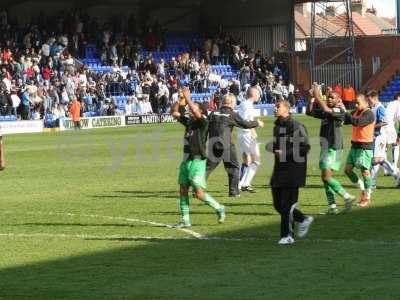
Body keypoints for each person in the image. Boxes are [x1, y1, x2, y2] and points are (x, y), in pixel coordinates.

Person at [171, 87, 225, 228]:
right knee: (183, 189)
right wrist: (179, 100)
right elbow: (175, 113)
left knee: (198, 193)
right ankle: (185, 220)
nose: (190, 107)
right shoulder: (189, 121)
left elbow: (194, 111)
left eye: (194, 106)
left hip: (198, 160)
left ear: (201, 110)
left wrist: (188, 97)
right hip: (186, 160)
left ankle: (219, 207)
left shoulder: (203, 121)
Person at [266, 100, 313, 245]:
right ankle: (303, 219)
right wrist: (272, 147)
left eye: (278, 106)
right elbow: (278, 145)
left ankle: (287, 236)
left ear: (287, 109)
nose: (275, 108)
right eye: (275, 106)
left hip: (294, 170)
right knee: (278, 205)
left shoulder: (297, 126)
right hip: (279, 169)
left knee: (287, 205)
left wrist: (286, 152)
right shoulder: (277, 126)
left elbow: (305, 148)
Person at [306, 86, 356, 214]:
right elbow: (309, 112)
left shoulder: (339, 111)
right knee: (326, 178)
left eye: (332, 97)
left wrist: (318, 95)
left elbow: (327, 109)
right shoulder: (326, 111)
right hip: (327, 147)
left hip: (333, 148)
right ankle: (332, 207)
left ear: (338, 100)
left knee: (326, 177)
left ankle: (347, 197)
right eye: (328, 97)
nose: (329, 99)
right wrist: (311, 99)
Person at [207, 93, 264, 197]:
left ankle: (196, 188)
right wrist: (257, 123)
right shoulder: (232, 114)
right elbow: (245, 124)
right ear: (231, 102)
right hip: (226, 145)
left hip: (213, 143)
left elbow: (206, 127)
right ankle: (233, 193)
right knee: (233, 167)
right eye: (234, 103)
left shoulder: (213, 113)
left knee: (208, 168)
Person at [344, 94, 375, 208]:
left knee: (365, 172)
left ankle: (367, 196)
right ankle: (362, 188)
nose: (356, 105)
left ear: (366, 103)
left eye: (358, 103)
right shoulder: (356, 111)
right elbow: (347, 119)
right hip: (355, 146)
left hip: (365, 147)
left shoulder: (369, 114)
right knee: (347, 170)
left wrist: (345, 112)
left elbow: (357, 122)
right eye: (355, 103)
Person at [367, 90, 398, 188]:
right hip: (374, 136)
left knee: (375, 160)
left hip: (379, 137)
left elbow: (384, 122)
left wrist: (372, 127)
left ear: (374, 98)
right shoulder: (373, 107)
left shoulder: (380, 108)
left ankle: (372, 182)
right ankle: (396, 175)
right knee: (379, 159)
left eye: (369, 100)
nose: (368, 102)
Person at [238, 87, 262, 193]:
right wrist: (254, 128)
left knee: (247, 160)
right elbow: (246, 121)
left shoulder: (244, 104)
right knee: (256, 160)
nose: (259, 96)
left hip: (242, 134)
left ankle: (241, 184)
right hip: (247, 134)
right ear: (253, 94)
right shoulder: (247, 105)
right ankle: (244, 184)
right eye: (258, 94)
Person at [384, 92, 400, 184]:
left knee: (385, 147)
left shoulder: (390, 103)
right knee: (396, 144)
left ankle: (386, 170)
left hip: (384, 125)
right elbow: (399, 118)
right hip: (389, 126)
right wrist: (398, 132)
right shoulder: (398, 103)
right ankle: (393, 166)